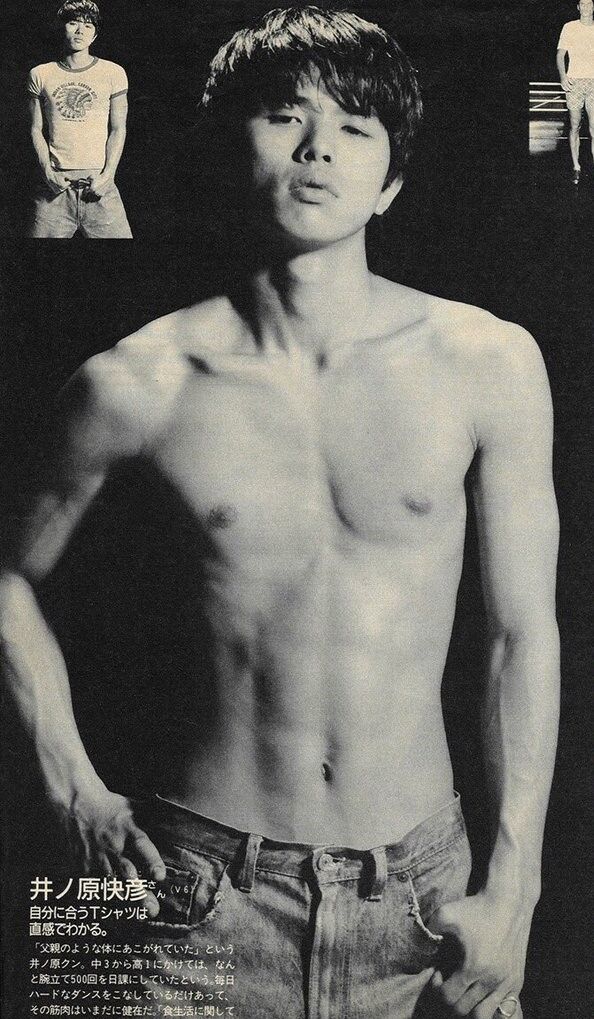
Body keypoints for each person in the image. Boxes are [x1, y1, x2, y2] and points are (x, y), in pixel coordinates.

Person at [1, 8, 559, 1018]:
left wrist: (515, 884)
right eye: (285, 116)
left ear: (390, 181)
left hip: (424, 902)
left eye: (355, 125)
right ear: (231, 150)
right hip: (191, 902)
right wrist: (71, 784)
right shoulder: (138, 382)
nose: (318, 147)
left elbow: (521, 635)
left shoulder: (489, 363)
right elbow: (6, 577)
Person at [27, 0, 132, 237]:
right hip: (54, 187)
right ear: (61, 27)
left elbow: (118, 128)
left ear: (95, 35)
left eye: (87, 26)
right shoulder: (40, 74)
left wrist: (108, 176)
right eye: (73, 23)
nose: (80, 31)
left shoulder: (113, 73)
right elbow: (35, 128)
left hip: (98, 185)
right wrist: (48, 173)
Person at [556, 0, 594, 184]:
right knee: (575, 125)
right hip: (574, 82)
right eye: (582, 4)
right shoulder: (569, 27)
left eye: (589, 4)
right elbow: (560, 55)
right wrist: (563, 77)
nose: (586, 7)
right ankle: (576, 166)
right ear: (578, 7)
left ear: (593, 7)